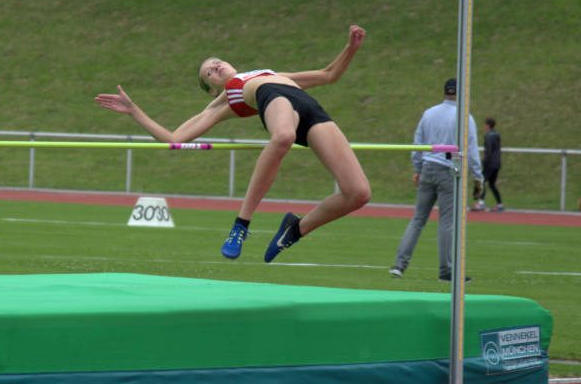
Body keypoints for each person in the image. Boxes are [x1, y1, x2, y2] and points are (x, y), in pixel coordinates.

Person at [95, 25, 371, 262]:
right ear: (213, 89)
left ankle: (296, 228)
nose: (215, 66)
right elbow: (174, 138)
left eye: (216, 62)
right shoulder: (226, 97)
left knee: (358, 193)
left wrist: (351, 48)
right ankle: (241, 224)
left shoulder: (267, 72)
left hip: (311, 109)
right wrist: (134, 111)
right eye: (209, 73)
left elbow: (328, 75)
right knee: (283, 136)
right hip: (275, 101)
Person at [389, 78, 483, 282]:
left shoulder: (429, 113)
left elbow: (418, 142)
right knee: (447, 223)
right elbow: (472, 150)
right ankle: (446, 271)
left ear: (444, 93)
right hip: (450, 171)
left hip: (428, 169)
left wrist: (418, 168)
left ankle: (399, 265)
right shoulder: (465, 117)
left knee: (417, 220)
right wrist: (478, 177)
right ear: (462, 93)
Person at [471, 117, 503, 212]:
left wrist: (484, 160)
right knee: (492, 184)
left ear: (488, 125)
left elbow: (489, 150)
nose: (484, 126)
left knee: (482, 181)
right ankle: (500, 204)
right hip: (497, 163)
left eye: (484, 124)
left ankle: (481, 202)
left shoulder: (489, 136)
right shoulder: (497, 134)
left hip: (490, 163)